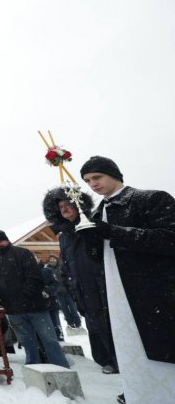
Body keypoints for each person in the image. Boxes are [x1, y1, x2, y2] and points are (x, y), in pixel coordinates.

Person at [80, 156, 175, 404]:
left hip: (155, 293)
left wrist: (114, 232)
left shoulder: (151, 199)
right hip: (116, 295)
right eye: (88, 180)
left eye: (97, 177)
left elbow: (169, 239)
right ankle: (140, 395)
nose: (93, 184)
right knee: (131, 352)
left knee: (163, 352)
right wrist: (92, 243)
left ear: (115, 174)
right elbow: (101, 258)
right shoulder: (96, 212)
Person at [43, 186, 118, 374]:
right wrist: (69, 284)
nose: (64, 209)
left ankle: (118, 362)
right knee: (94, 325)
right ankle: (105, 360)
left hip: (102, 285)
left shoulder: (94, 223)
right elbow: (66, 263)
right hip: (81, 289)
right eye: (60, 207)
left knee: (110, 325)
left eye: (68, 203)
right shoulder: (64, 237)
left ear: (79, 203)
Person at [0, 230, 69, 368]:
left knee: (49, 339)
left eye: (1, 241)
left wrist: (25, 294)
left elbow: (34, 277)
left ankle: (61, 367)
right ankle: (33, 368)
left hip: (34, 306)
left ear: (7, 240)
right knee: (27, 342)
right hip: (13, 310)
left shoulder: (22, 253)